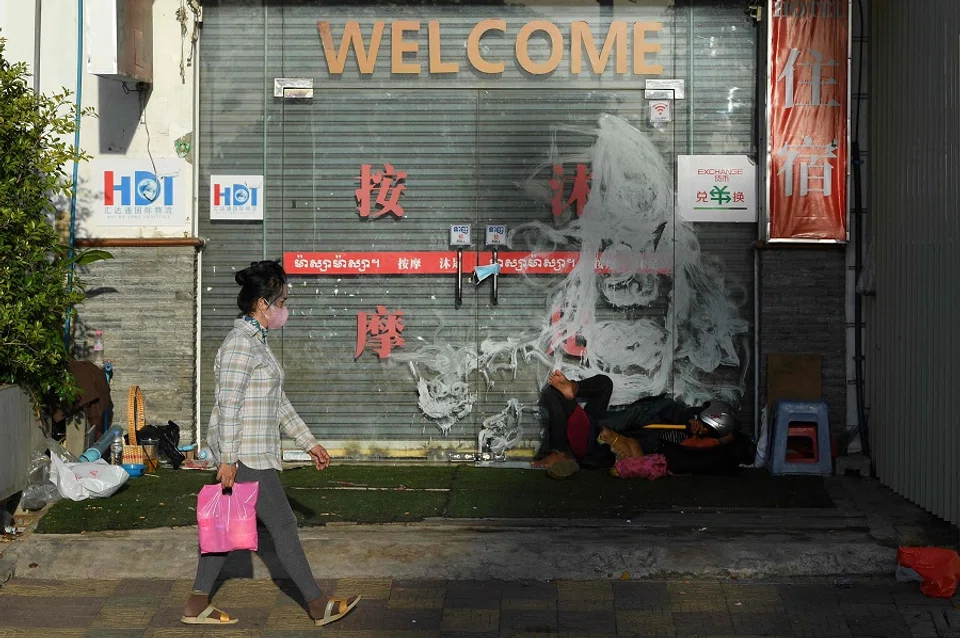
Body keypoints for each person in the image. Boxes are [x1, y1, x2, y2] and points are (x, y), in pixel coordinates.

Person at [182, 260, 360, 627]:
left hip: (250, 452)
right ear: (263, 303)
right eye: (282, 301)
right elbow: (228, 405)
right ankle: (316, 604)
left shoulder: (257, 344)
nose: (285, 308)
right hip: (246, 455)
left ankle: (196, 603)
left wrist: (308, 442)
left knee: (225, 526)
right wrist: (228, 459)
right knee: (283, 525)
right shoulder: (239, 346)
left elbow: (277, 402)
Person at [532, 370, 746, 477]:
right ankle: (575, 388)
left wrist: (718, 440)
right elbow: (671, 408)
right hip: (604, 421)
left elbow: (700, 450)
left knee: (553, 394)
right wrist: (689, 419)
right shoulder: (685, 420)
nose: (698, 427)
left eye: (704, 428)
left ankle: (559, 450)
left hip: (597, 436)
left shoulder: (677, 449)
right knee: (605, 383)